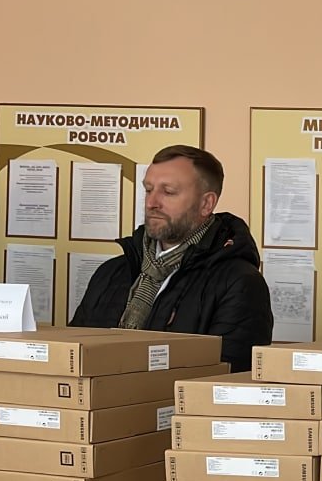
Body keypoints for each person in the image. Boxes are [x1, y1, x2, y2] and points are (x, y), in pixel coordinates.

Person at [70, 145, 272, 372]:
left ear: (206, 204)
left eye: (168, 192)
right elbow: (73, 358)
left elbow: (228, 379)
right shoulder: (110, 273)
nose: (151, 203)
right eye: (148, 190)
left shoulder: (239, 283)